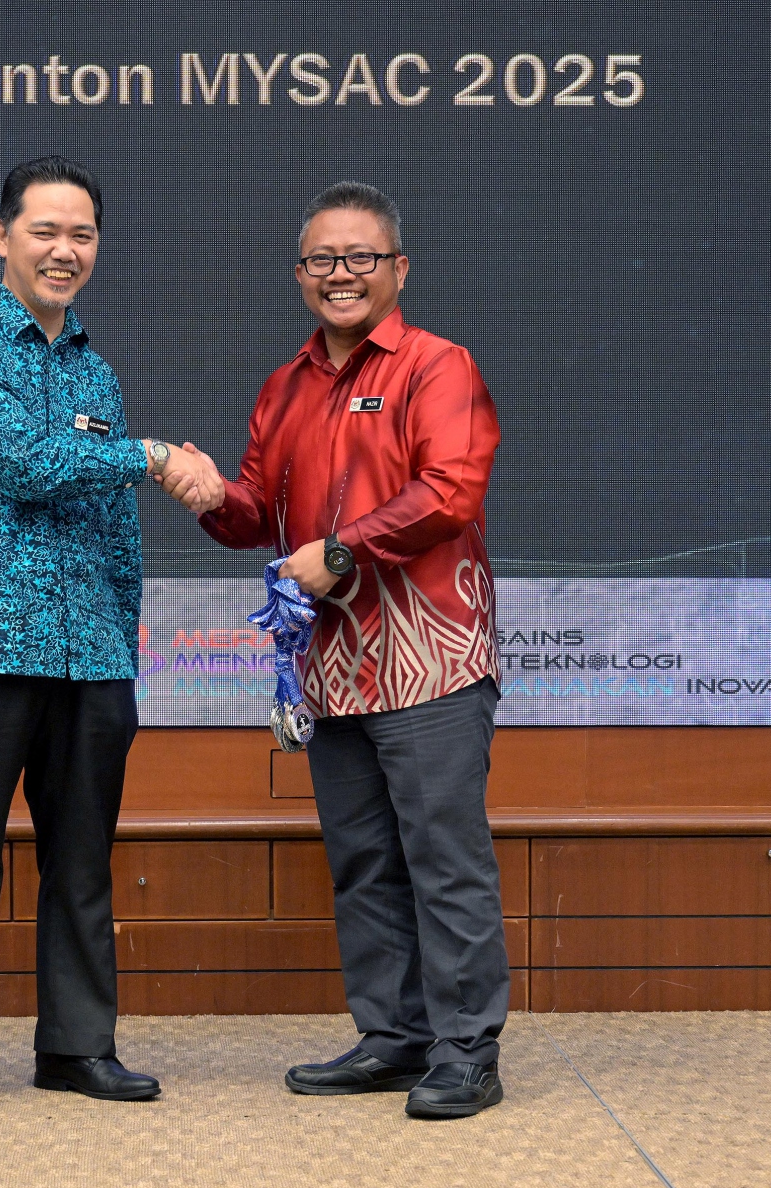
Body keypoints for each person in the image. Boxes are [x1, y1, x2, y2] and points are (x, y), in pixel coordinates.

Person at [0, 155, 224, 1116]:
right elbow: (25, 463)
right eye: (45, 231)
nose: (64, 250)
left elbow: (114, 526)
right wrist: (154, 454)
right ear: (2, 236)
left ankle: (78, 1047)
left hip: (89, 656)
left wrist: (121, 642)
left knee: (81, 863)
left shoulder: (95, 369)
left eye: (82, 234)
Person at [192, 181, 507, 1119]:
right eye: (322, 259)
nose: (341, 273)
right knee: (364, 861)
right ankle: (394, 1038)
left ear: (398, 268)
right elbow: (257, 512)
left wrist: (339, 552)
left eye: (361, 257)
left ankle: (467, 1051)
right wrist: (207, 494)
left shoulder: (438, 366)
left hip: (430, 659)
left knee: (443, 859)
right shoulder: (284, 385)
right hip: (331, 669)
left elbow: (450, 489)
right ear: (300, 274)